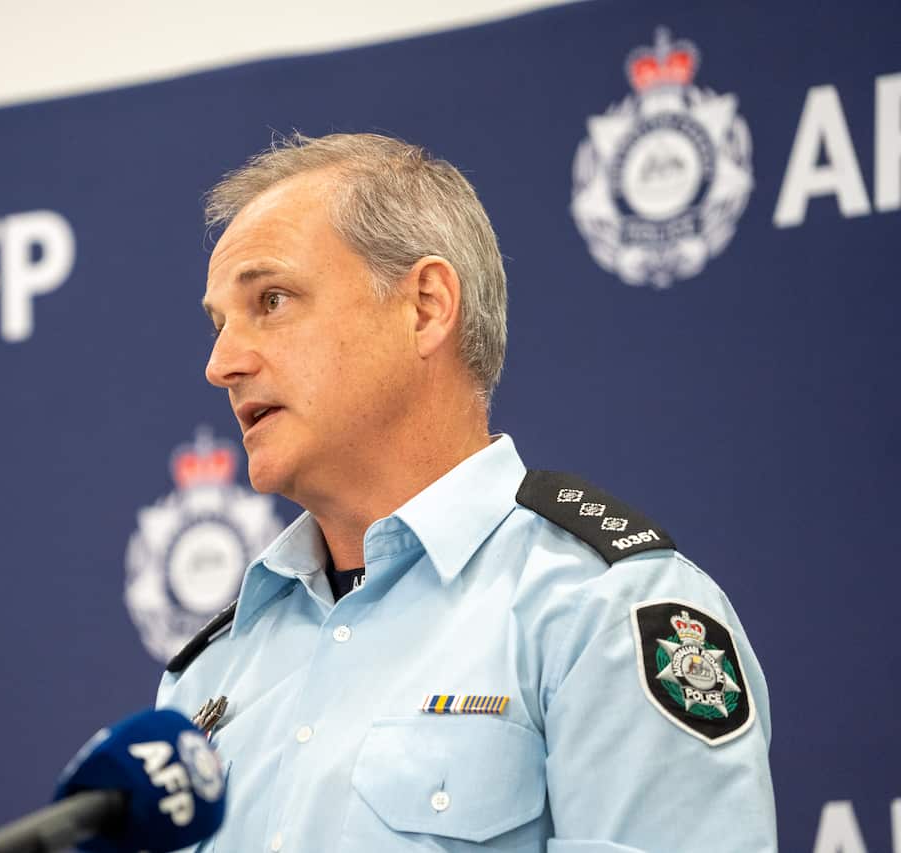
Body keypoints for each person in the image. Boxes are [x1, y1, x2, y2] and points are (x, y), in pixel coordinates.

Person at [156, 133, 776, 852]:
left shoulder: (600, 611)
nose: (222, 363)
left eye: (272, 299)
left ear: (425, 306)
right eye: (219, 323)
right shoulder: (209, 672)